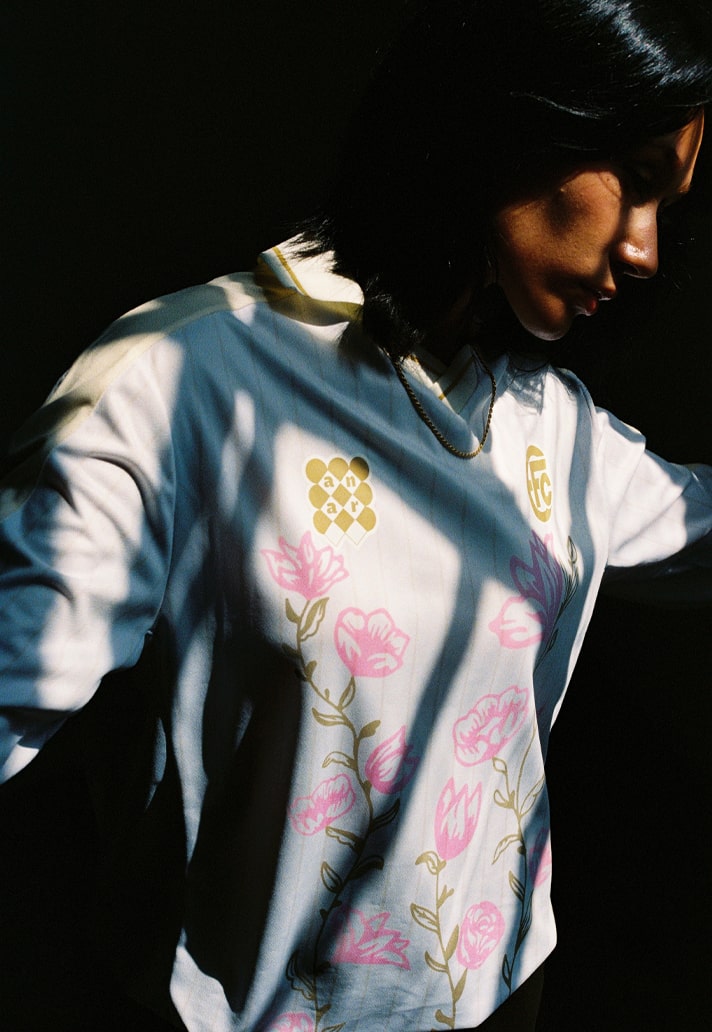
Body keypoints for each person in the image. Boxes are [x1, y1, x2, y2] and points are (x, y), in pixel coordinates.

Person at [1, 1, 711, 1030]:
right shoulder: (180, 385)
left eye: (667, 207)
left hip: (507, 1000)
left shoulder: (551, 428)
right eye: (635, 179)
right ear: (518, 116)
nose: (644, 250)